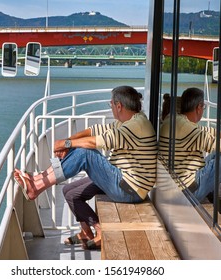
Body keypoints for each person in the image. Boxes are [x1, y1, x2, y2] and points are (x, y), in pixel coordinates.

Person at [13, 85, 158, 250]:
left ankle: (37, 185)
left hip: (130, 189)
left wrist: (67, 143)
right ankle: (93, 230)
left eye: (110, 104)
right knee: (70, 192)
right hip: (122, 180)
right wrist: (68, 141)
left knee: (86, 153)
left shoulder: (136, 125)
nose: (110, 107)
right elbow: (94, 131)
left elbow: (95, 142)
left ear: (119, 106)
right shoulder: (127, 122)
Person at [161, 93, 221, 214]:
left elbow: (212, 132)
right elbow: (214, 143)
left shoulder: (170, 126)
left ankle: (209, 199)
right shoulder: (182, 129)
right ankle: (212, 218)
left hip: (182, 181)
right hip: (185, 186)